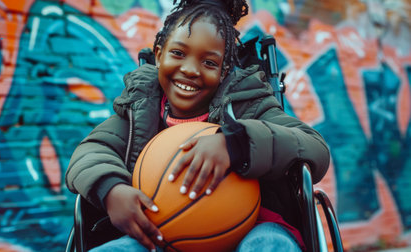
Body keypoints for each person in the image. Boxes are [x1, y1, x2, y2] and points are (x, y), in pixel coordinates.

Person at [65, 0, 330, 251]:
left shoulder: (249, 104)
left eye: (209, 62)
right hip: (161, 234)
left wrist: (235, 143)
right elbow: (91, 152)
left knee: (269, 245)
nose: (190, 70)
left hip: (248, 229)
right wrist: (111, 190)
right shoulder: (139, 111)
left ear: (224, 71)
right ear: (159, 55)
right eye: (178, 53)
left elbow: (313, 147)